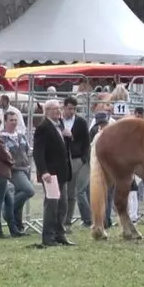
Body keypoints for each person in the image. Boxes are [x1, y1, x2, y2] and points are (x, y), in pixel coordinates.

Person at [32, 99, 75, 247]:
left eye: (59, 108)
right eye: (55, 109)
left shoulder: (60, 124)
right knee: (52, 205)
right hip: (50, 173)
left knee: (62, 205)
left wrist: (68, 138)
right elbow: (38, 152)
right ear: (48, 111)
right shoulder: (43, 127)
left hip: (61, 172)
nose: (58, 111)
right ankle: (48, 237)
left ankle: (60, 234)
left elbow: (62, 148)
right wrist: (43, 171)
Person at [0, 111, 34, 233]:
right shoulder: (2, 138)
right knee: (28, 190)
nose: (14, 122)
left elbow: (28, 149)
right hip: (14, 170)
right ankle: (7, 209)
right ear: (5, 121)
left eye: (15, 120)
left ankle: (18, 226)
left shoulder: (21, 136)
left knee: (22, 197)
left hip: (25, 168)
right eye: (11, 120)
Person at [61, 97, 91, 232]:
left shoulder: (80, 122)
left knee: (72, 192)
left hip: (76, 159)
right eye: (69, 108)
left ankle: (67, 221)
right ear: (64, 108)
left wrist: (84, 158)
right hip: (62, 159)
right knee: (65, 192)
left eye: (74, 109)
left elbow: (86, 141)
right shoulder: (59, 122)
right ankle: (62, 220)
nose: (71, 111)